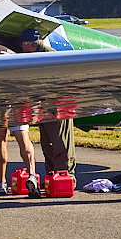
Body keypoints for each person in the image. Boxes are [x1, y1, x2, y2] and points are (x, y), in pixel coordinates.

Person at [0, 42, 41, 196]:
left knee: (1, 140)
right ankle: (32, 174)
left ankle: (2, 183)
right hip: (19, 97)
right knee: (23, 139)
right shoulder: (15, 56)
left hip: (1, 98)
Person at [18, 29, 76, 183]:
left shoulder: (50, 55)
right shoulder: (36, 55)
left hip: (58, 106)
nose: (21, 47)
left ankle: (66, 177)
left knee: (60, 143)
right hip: (45, 106)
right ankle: (52, 177)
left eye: (22, 44)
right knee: (47, 143)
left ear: (30, 44)